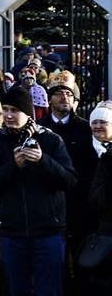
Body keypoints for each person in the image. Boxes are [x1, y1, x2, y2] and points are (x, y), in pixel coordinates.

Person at [0, 85, 77, 296]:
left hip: (48, 232)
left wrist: (43, 161)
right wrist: (14, 166)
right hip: (12, 233)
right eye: (5, 109)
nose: (8, 115)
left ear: (27, 113)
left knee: (49, 291)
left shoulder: (51, 140)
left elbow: (69, 180)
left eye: (14, 110)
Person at [37, 71, 99, 293]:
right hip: (49, 207)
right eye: (59, 93)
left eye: (69, 94)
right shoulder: (38, 129)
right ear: (50, 98)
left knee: (84, 260)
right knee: (55, 262)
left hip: (81, 207)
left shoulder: (87, 129)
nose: (65, 98)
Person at [88, 100, 112, 291]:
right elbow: (96, 199)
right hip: (103, 231)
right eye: (94, 122)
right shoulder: (105, 160)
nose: (97, 126)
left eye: (103, 122)